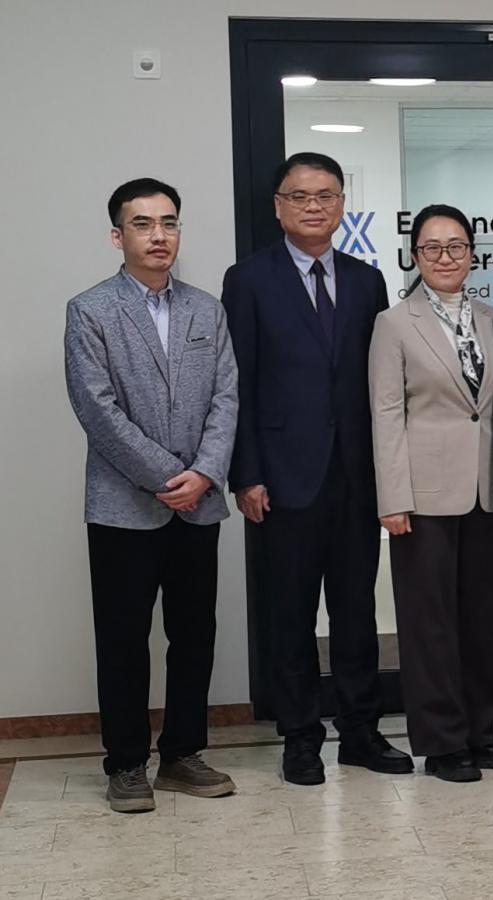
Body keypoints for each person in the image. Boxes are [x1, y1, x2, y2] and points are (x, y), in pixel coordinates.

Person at [222, 152, 411, 785]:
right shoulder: (248, 279)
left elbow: (380, 385)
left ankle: (360, 732)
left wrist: (387, 475)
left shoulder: (366, 280)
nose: (313, 206)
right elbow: (238, 383)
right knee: (291, 614)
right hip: (281, 477)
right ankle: (300, 736)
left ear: (341, 205)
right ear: (278, 205)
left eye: (326, 195)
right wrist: (246, 473)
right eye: (299, 196)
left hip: (355, 476)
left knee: (356, 611)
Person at [64, 178, 238, 812]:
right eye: (143, 224)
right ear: (118, 236)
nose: (159, 235)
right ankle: (126, 764)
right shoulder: (90, 310)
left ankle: (183, 755)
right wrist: (169, 477)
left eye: (169, 223)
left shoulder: (207, 309)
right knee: (123, 639)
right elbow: (97, 408)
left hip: (199, 503)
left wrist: (206, 473)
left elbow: (226, 398)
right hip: (123, 507)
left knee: (195, 636)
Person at [368, 204, 493, 783]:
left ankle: (481, 730)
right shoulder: (394, 323)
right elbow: (386, 413)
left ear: (472, 253)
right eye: (432, 248)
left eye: (456, 246)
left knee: (481, 617)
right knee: (429, 623)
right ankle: (442, 742)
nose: (445, 257)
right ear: (415, 256)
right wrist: (392, 498)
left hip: (482, 489)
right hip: (422, 496)